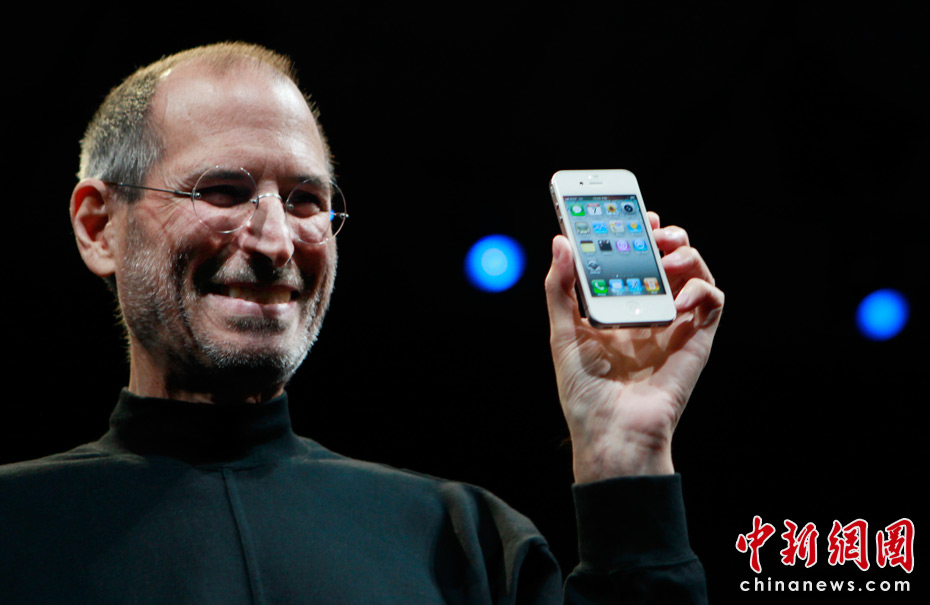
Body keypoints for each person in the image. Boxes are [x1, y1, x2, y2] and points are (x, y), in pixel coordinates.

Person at [0, 42, 723, 603]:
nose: (276, 241)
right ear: (99, 226)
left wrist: (624, 456)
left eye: (307, 200)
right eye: (221, 190)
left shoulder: (464, 541)